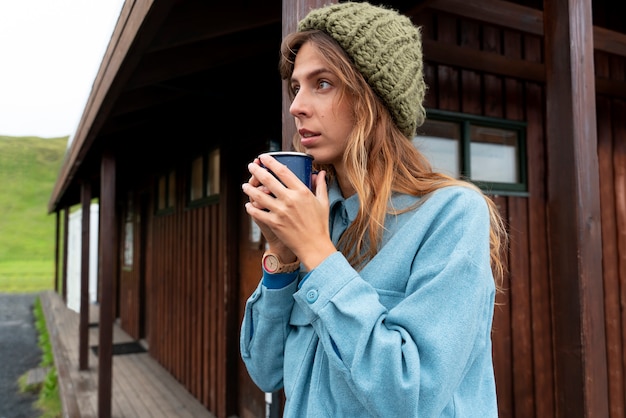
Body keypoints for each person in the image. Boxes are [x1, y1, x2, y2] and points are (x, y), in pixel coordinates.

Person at [240, 2, 508, 417]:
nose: (297, 106)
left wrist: (318, 255)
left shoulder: (452, 216)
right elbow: (265, 370)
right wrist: (284, 256)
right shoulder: (321, 217)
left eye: (323, 83)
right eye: (296, 87)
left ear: (373, 98)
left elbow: (412, 394)